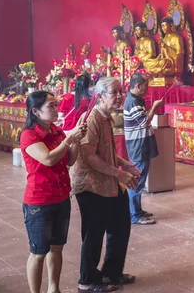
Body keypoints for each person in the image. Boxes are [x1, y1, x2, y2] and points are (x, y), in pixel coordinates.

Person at [70, 77, 140, 292]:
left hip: (108, 183)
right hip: (91, 185)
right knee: (93, 234)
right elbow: (89, 156)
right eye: (114, 92)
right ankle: (87, 280)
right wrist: (119, 175)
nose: (119, 96)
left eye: (121, 91)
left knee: (120, 227)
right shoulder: (92, 119)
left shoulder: (107, 117)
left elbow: (106, 152)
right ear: (100, 96)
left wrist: (125, 164)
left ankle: (112, 272)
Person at [20, 91, 87, 293]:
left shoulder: (57, 131)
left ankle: (54, 288)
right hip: (39, 201)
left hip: (60, 197)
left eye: (56, 104)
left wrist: (76, 139)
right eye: (51, 106)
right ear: (35, 111)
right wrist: (69, 139)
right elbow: (48, 159)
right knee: (38, 252)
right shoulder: (29, 135)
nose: (57, 109)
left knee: (57, 248)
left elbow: (69, 161)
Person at [123, 73, 163, 225]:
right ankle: (134, 214)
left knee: (140, 179)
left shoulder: (136, 100)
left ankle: (137, 210)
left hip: (142, 144)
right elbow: (144, 122)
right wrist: (154, 107)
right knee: (137, 181)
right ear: (138, 86)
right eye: (146, 86)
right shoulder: (132, 102)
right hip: (138, 146)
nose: (147, 89)